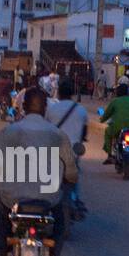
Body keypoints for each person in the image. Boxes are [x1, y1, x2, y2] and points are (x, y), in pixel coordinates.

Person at [0, 88, 78, 256]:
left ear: (24, 107)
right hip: (48, 200)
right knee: (60, 219)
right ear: (45, 110)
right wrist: (68, 178)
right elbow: (71, 172)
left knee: (1, 213)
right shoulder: (58, 135)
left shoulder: (10, 131)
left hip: (13, 200)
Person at [45, 79, 89, 218]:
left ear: (58, 93)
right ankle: (75, 200)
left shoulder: (52, 109)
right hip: (73, 152)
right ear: (72, 93)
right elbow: (84, 132)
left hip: (55, 152)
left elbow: (47, 129)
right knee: (73, 178)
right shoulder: (81, 110)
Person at [99, 83, 129, 161]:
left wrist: (102, 119)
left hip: (118, 127)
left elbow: (106, 114)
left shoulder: (115, 101)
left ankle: (109, 155)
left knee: (107, 132)